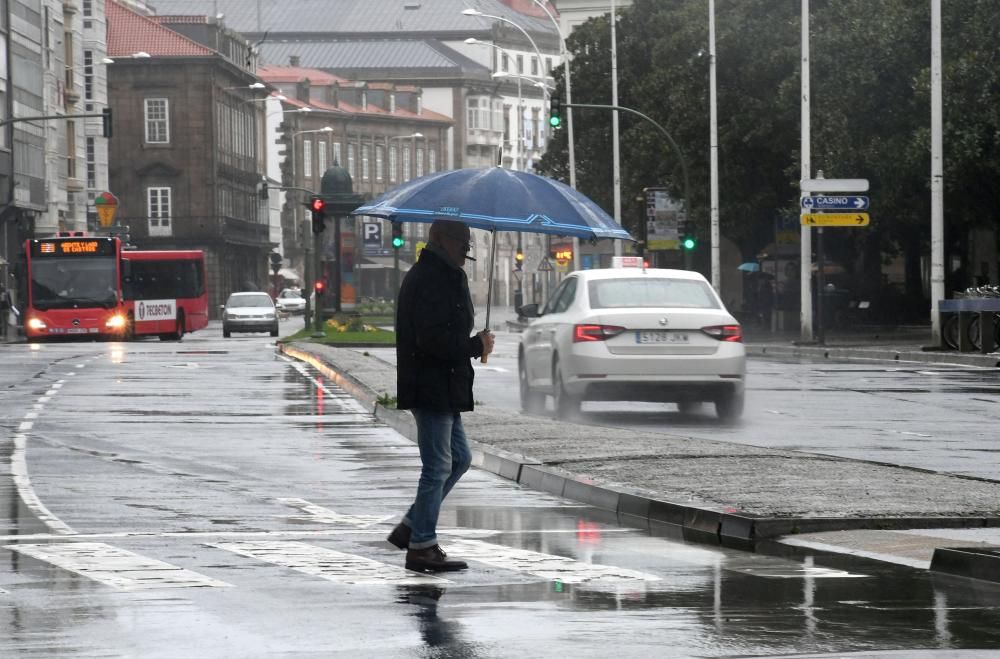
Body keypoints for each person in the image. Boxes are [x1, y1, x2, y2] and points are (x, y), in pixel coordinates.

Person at [387, 219, 494, 572]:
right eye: (462, 241)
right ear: (441, 240)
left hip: (445, 384)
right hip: (431, 384)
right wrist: (474, 345)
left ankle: (411, 526)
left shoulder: (447, 275)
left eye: (468, 242)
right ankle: (421, 546)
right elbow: (432, 339)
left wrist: (473, 344)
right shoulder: (429, 279)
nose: (467, 248)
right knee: (436, 468)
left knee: (459, 458)